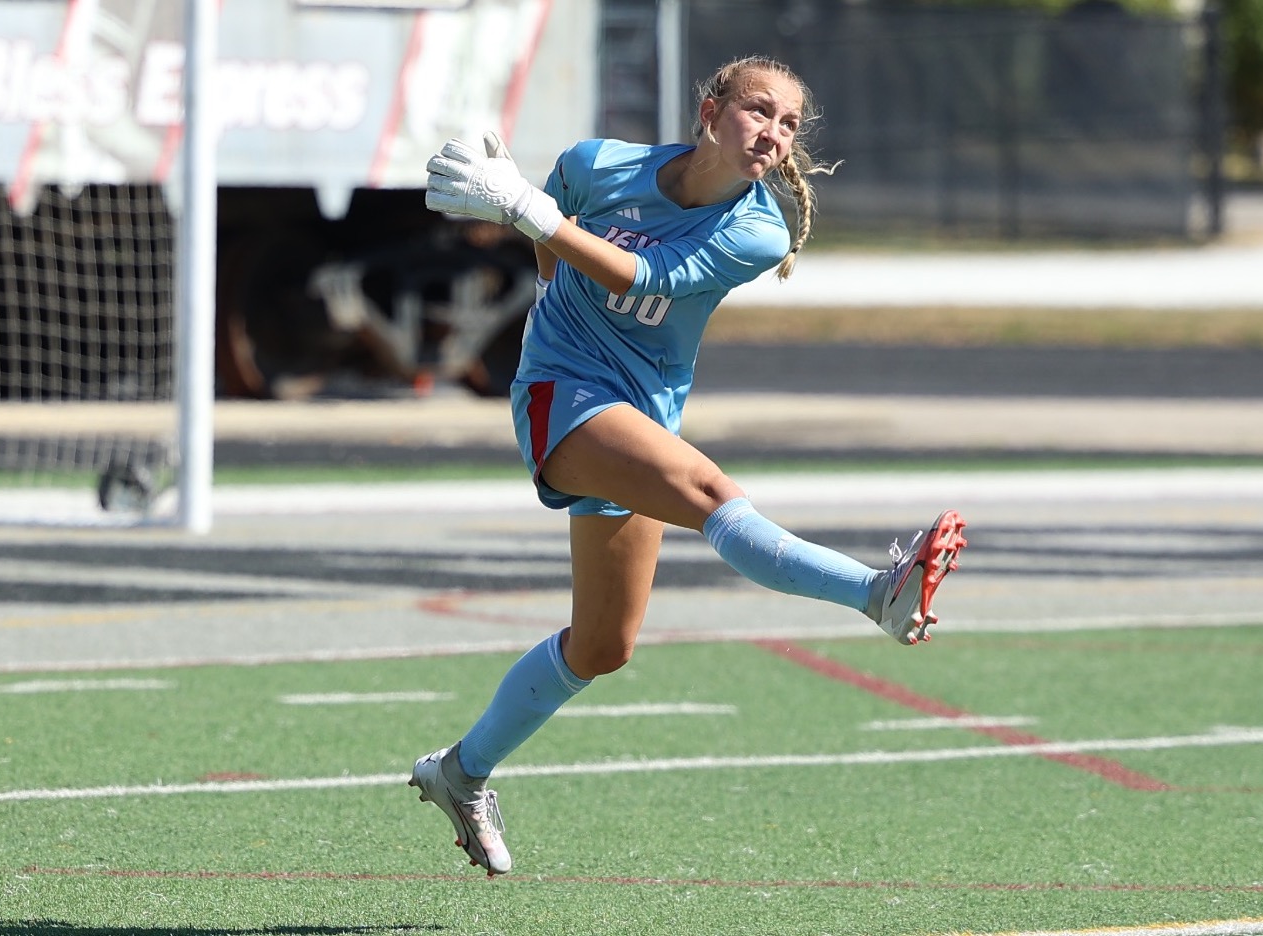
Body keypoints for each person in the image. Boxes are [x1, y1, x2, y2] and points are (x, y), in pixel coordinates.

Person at [407, 55, 967, 877]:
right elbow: (556, 250)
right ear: (711, 110)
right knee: (712, 494)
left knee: (603, 646)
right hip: (561, 395)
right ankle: (875, 594)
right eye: (759, 111)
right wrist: (541, 238)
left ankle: (459, 773)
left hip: (642, 417)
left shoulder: (756, 229)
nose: (774, 134)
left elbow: (646, 276)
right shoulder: (598, 165)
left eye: (788, 124)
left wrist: (526, 210)